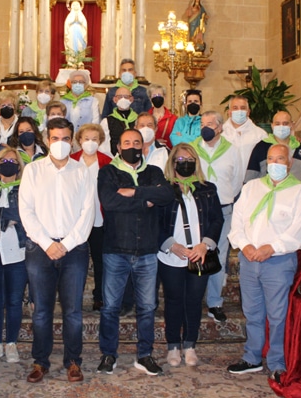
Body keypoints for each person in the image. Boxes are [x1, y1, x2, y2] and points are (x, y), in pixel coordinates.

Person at [226, 144, 301, 383]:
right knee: (252, 312)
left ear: (289, 163)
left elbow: (299, 230)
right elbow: (238, 221)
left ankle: (277, 362)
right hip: (249, 258)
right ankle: (252, 357)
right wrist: (245, 246)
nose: (275, 164)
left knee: (277, 315)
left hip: (278, 261)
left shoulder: (299, 192)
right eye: (271, 159)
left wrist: (270, 248)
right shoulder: (252, 187)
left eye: (280, 159)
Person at [19, 118, 96, 383]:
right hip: (40, 248)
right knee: (41, 310)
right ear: (46, 140)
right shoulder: (33, 170)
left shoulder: (82, 171)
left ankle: (73, 362)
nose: (60, 143)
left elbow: (88, 212)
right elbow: (26, 211)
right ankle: (40, 362)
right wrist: (47, 243)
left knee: (73, 310)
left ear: (72, 140)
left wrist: (66, 244)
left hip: (73, 248)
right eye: (55, 138)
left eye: (65, 139)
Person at [97, 129, 174, 376]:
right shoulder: (107, 172)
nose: (132, 146)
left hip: (148, 251)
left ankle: (145, 355)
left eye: (137, 143)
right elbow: (109, 202)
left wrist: (133, 192)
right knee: (110, 307)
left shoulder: (153, 172)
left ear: (143, 146)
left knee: (147, 306)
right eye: (127, 142)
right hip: (115, 249)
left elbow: (165, 195)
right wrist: (145, 200)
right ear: (118, 147)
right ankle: (109, 354)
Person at [157, 143, 223, 367]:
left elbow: (217, 219)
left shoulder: (207, 188)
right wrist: (171, 245)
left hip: (199, 255)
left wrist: (205, 245)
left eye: (189, 160)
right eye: (180, 160)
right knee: (174, 301)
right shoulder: (164, 189)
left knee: (194, 301)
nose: (185, 164)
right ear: (172, 163)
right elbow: (154, 222)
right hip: (171, 255)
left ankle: (190, 344)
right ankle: (173, 345)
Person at [191, 111, 244, 324]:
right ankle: (193, 300)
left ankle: (214, 302)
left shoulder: (232, 150)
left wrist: (224, 198)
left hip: (222, 209)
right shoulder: (192, 148)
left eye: (210, 123)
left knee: (218, 255)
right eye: (203, 123)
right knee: (195, 251)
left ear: (220, 127)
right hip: (196, 208)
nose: (206, 127)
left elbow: (238, 179)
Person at [0, 148, 28, 364]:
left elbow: (23, 215)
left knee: (13, 300)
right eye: (3, 160)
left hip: (17, 252)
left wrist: (2, 219)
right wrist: (6, 219)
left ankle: (11, 343)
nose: (8, 163)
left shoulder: (26, 188)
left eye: (12, 160)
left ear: (19, 165)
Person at [70, 123, 112, 311]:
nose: (90, 142)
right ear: (79, 140)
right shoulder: (70, 160)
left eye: (94, 139)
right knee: (75, 261)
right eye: (86, 139)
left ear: (100, 141)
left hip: (99, 219)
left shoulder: (107, 161)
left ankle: (99, 296)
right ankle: (73, 296)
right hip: (74, 220)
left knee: (99, 260)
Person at [245, 111, 301, 201]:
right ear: (272, 126)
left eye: (285, 123)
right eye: (277, 123)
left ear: (292, 125)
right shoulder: (261, 148)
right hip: (266, 200)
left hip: (295, 200)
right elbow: (249, 179)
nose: (281, 127)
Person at [220, 95, 267, 170]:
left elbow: (264, 162)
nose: (239, 111)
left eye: (243, 108)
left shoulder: (260, 134)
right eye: (235, 108)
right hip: (227, 179)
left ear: (248, 112)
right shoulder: (220, 133)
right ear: (229, 112)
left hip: (252, 179)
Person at [100, 85, 138, 156]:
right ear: (115, 99)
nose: (123, 99)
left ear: (131, 99)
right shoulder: (107, 121)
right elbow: (103, 146)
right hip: (113, 159)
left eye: (126, 97)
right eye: (120, 97)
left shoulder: (138, 120)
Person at [148, 84, 178, 149]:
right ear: (150, 99)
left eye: (159, 95)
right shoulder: (145, 117)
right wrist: (154, 142)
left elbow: (176, 138)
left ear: (164, 97)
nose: (157, 97)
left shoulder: (173, 119)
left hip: (168, 153)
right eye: (154, 95)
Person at [64, 0, 88, 65]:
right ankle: (71, 60)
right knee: (71, 45)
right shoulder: (70, 15)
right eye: (74, 5)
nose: (75, 6)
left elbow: (84, 25)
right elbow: (67, 24)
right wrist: (73, 20)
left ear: (80, 6)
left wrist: (79, 20)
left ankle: (79, 60)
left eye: (77, 4)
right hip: (71, 32)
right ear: (71, 6)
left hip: (80, 33)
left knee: (79, 46)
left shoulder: (82, 15)